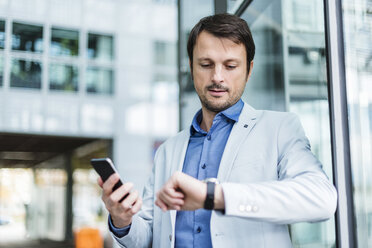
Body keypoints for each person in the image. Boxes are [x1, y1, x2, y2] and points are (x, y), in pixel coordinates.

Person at [98, 13, 337, 248]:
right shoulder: (168, 150)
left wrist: (214, 195)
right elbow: (149, 236)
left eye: (231, 65)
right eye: (206, 64)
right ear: (192, 67)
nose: (217, 77)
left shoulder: (280, 129)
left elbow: (321, 199)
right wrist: (122, 219)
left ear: (249, 70)